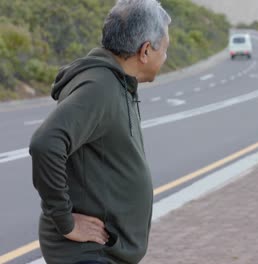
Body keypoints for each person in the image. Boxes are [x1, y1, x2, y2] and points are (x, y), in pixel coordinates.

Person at [29, 0, 171, 263]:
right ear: (146, 50)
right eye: (165, 49)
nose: (166, 57)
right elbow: (45, 144)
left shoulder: (116, 82)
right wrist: (66, 222)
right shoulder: (101, 87)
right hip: (90, 255)